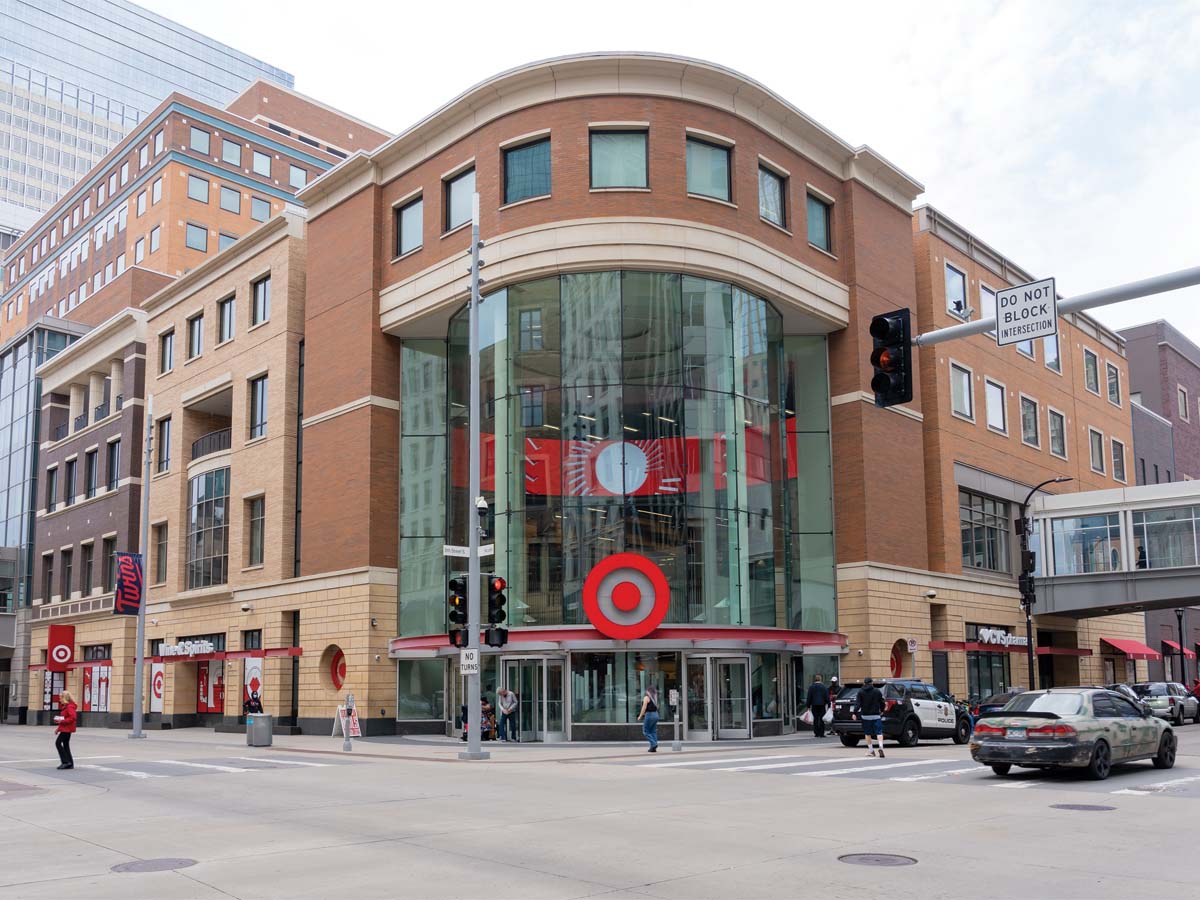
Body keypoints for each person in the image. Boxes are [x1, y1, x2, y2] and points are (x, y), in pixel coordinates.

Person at [853, 677, 885, 758]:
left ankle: (871, 750)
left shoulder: (860, 692)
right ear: (872, 683)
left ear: (864, 683)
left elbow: (858, 704)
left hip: (865, 716)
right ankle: (881, 747)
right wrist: (882, 710)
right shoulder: (877, 691)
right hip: (876, 715)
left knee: (867, 734)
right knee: (879, 732)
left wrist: (854, 713)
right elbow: (882, 702)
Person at [53, 689, 77, 770]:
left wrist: (62, 721)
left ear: (64, 698)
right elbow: (65, 718)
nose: (59, 699)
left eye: (60, 698)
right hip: (65, 728)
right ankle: (70, 763)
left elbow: (73, 718)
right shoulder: (66, 706)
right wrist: (58, 728)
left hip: (67, 729)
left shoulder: (69, 707)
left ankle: (65, 762)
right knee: (66, 745)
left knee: (58, 743)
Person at [636, 684, 660, 753]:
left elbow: (644, 708)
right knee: (653, 731)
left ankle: (654, 744)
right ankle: (653, 747)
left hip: (649, 715)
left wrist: (640, 716)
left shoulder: (646, 697)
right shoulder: (655, 698)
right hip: (656, 714)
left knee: (646, 731)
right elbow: (658, 707)